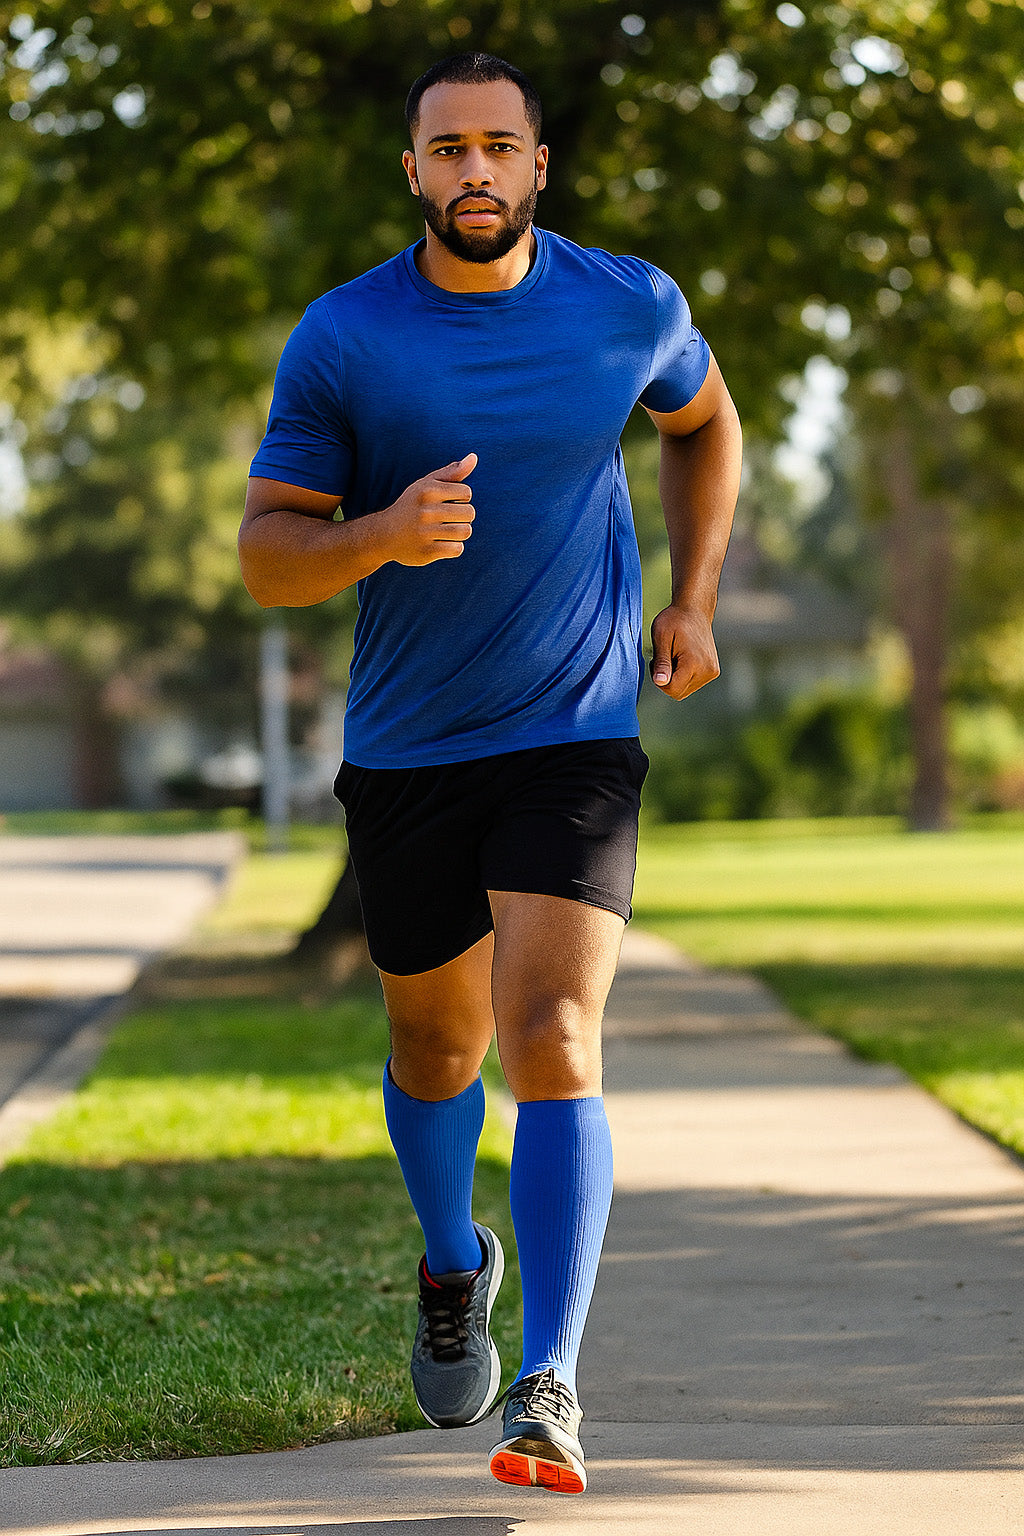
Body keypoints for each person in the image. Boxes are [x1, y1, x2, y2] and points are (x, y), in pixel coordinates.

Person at [238, 51, 741, 1496]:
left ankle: (551, 1383)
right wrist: (374, 536)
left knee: (551, 1039)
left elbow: (705, 424)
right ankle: (455, 1260)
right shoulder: (344, 340)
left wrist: (695, 596)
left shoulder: (627, 305)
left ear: (536, 168)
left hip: (575, 736)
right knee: (436, 1055)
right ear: (413, 172)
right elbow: (270, 553)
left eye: (498, 148)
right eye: (446, 149)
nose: (474, 172)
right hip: (407, 747)